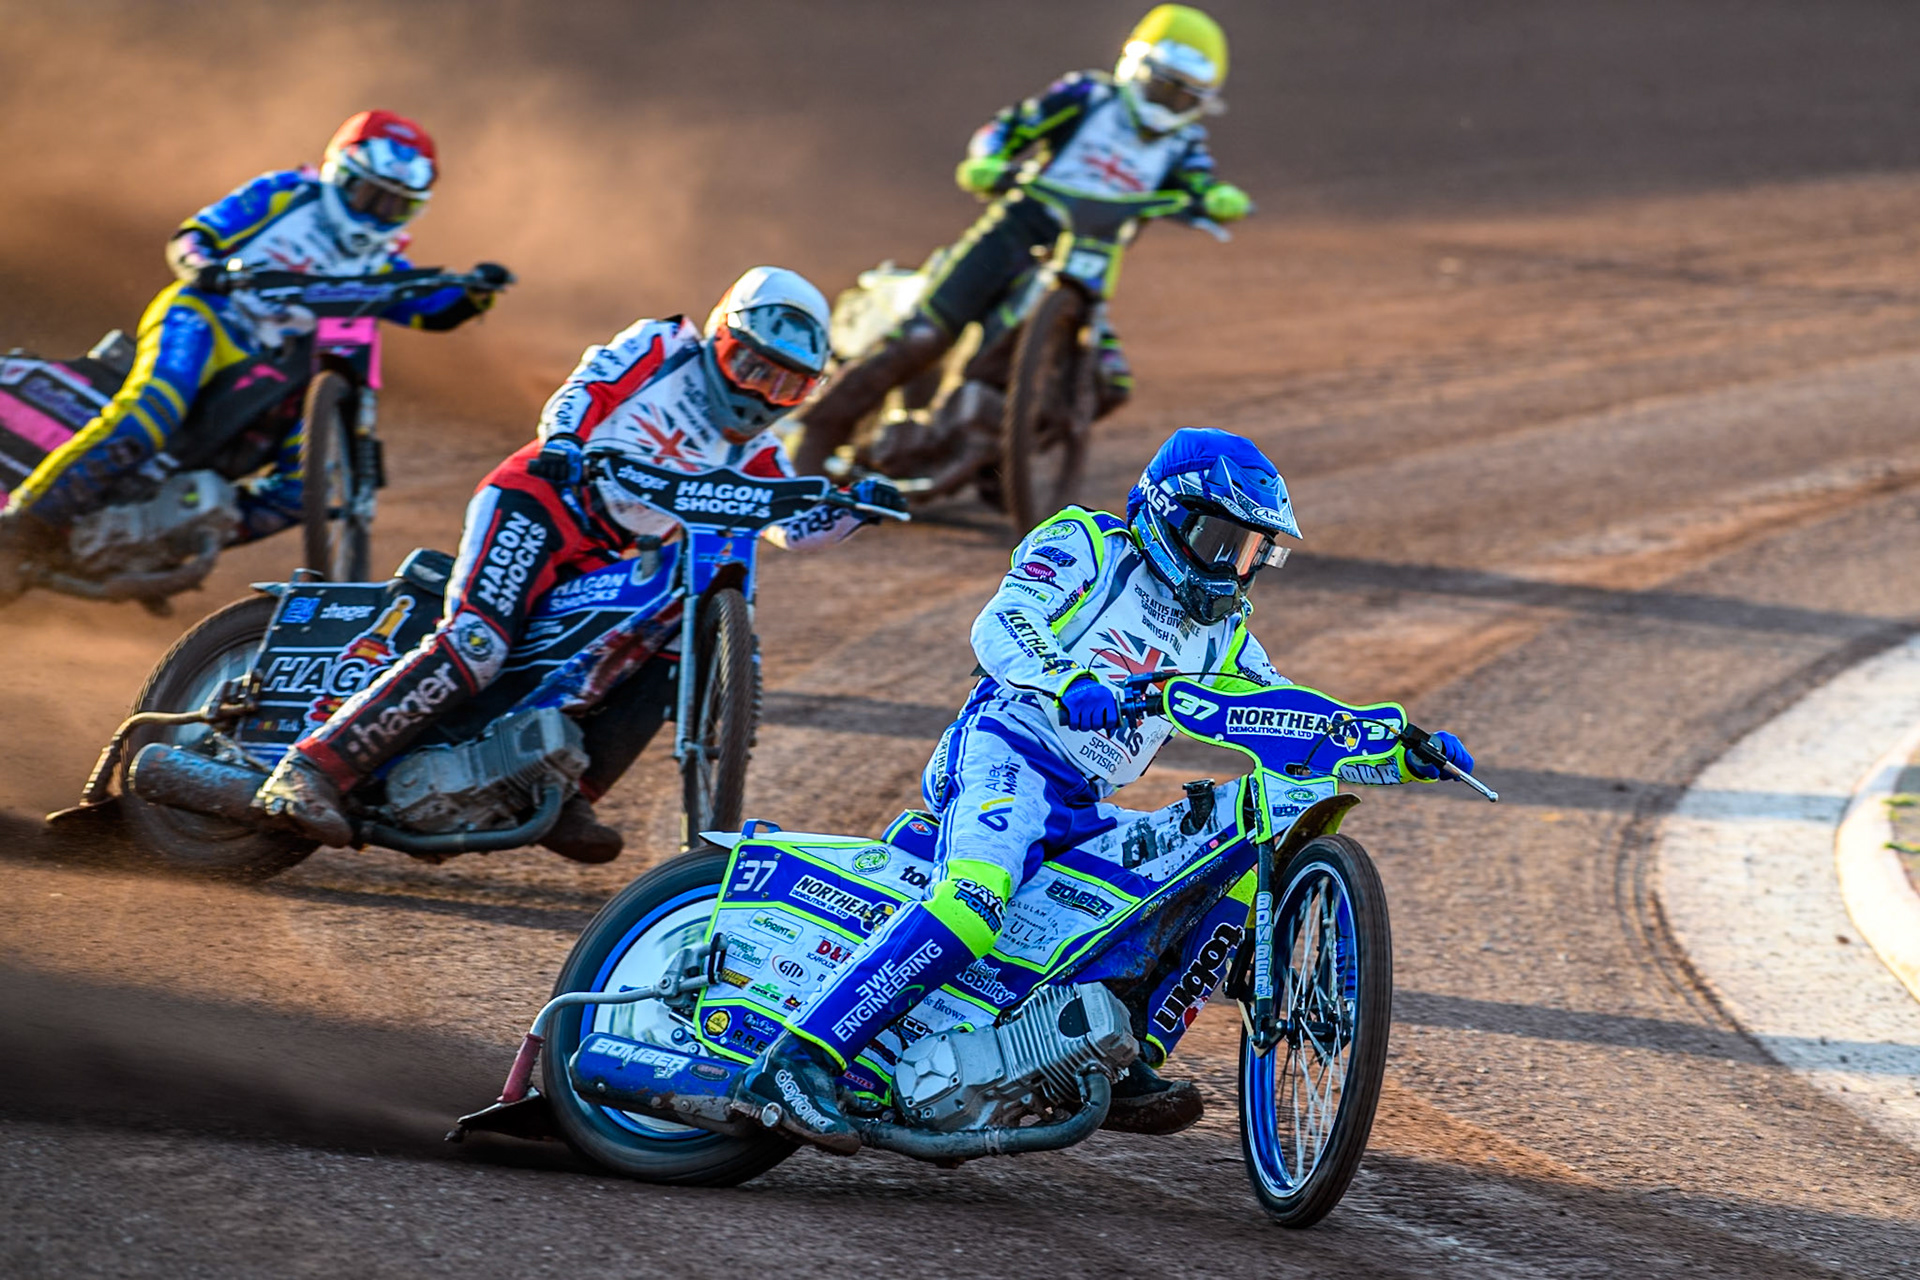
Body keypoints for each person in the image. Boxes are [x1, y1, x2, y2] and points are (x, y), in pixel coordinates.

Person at [735, 428, 1476, 1152]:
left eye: (1252, 552)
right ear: (1168, 516)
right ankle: (799, 1061)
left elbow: (1285, 717)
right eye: (1223, 541)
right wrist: (1066, 679)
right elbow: (1004, 621)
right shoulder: (1089, 545)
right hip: (1009, 746)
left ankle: (1116, 1046)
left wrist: (1396, 749)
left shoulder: (1226, 638)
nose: (1235, 567)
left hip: (1084, 805)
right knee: (975, 898)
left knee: (1208, 866)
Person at [249, 267, 906, 862]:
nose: (762, 395)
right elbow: (586, 386)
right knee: (477, 644)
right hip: (537, 502)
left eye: (788, 383)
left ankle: (570, 794)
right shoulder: (662, 347)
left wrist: (855, 508)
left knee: (671, 642)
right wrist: (564, 440)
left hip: (605, 551)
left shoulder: (760, 456)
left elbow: (794, 526)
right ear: (718, 337)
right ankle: (310, 769)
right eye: (751, 367)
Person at [0, 110, 509, 598]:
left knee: (298, 492)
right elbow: (195, 237)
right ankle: (25, 522)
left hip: (282, 368)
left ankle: (163, 538)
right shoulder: (286, 194)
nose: (376, 214)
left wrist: (476, 292)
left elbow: (429, 311)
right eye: (368, 195)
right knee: (152, 412)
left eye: (393, 206)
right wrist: (203, 266)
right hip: (208, 319)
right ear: (339, 173)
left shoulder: (384, 261)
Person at [791, 4, 1252, 475]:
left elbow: (1203, 184)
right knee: (924, 334)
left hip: (1087, 266)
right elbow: (1008, 127)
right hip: (1018, 228)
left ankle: (1000, 460)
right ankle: (816, 434)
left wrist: (1219, 198)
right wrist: (989, 159)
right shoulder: (1089, 95)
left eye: (1183, 98)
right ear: (1138, 68)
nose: (1167, 104)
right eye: (1163, 87)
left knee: (1109, 381)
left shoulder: (1184, 145)